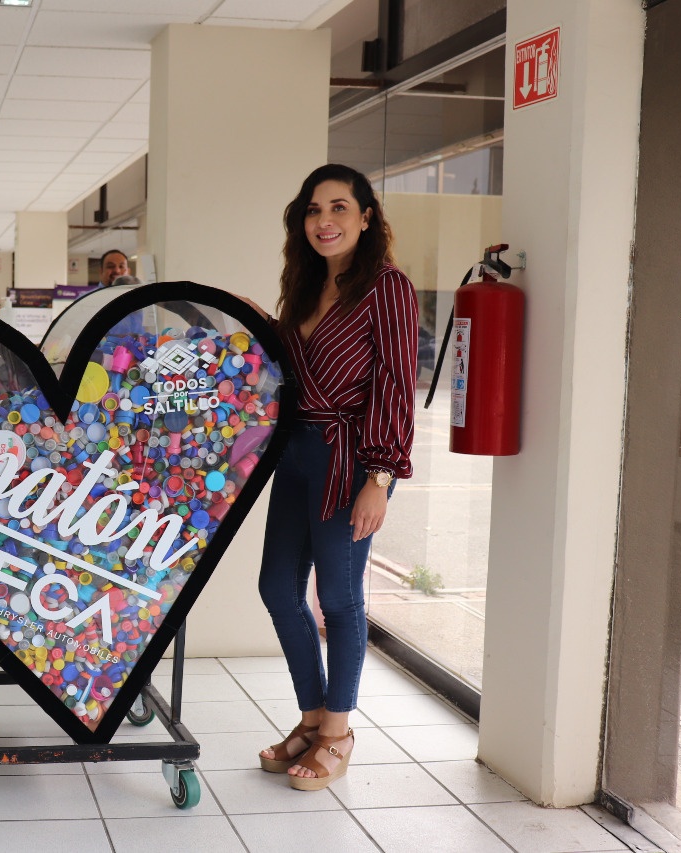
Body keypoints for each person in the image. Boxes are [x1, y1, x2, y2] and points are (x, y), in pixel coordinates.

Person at [255, 163, 417, 791]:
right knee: (277, 588)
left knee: (341, 598)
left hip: (350, 461)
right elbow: (293, 368)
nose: (325, 221)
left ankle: (338, 732)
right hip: (295, 453)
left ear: (367, 217)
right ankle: (311, 718)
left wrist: (381, 476)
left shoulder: (387, 288)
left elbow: (396, 385)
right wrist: (261, 327)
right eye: (314, 210)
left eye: (339, 207)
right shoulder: (305, 285)